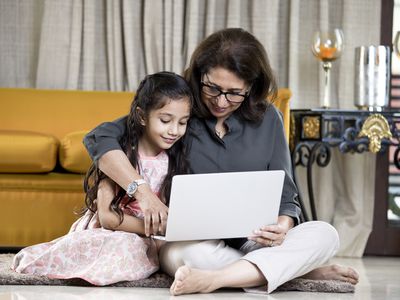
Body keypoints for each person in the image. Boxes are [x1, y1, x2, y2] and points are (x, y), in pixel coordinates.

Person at [82, 28, 359, 294]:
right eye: (213, 88)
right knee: (182, 255)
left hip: (257, 242)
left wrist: (283, 225)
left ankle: (218, 279)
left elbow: (287, 196)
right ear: (200, 75)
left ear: (251, 87)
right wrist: (142, 193)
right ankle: (296, 273)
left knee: (325, 234)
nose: (222, 101)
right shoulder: (180, 109)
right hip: (196, 243)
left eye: (234, 93)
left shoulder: (269, 118)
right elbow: (100, 137)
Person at [11, 71, 193, 285]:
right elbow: (108, 218)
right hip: (112, 229)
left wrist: (165, 230)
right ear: (142, 116)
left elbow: (163, 213)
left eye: (183, 123)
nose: (174, 130)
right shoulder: (119, 156)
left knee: (150, 252)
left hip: (149, 235)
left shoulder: (173, 160)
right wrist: (158, 228)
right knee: (116, 248)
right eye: (165, 120)